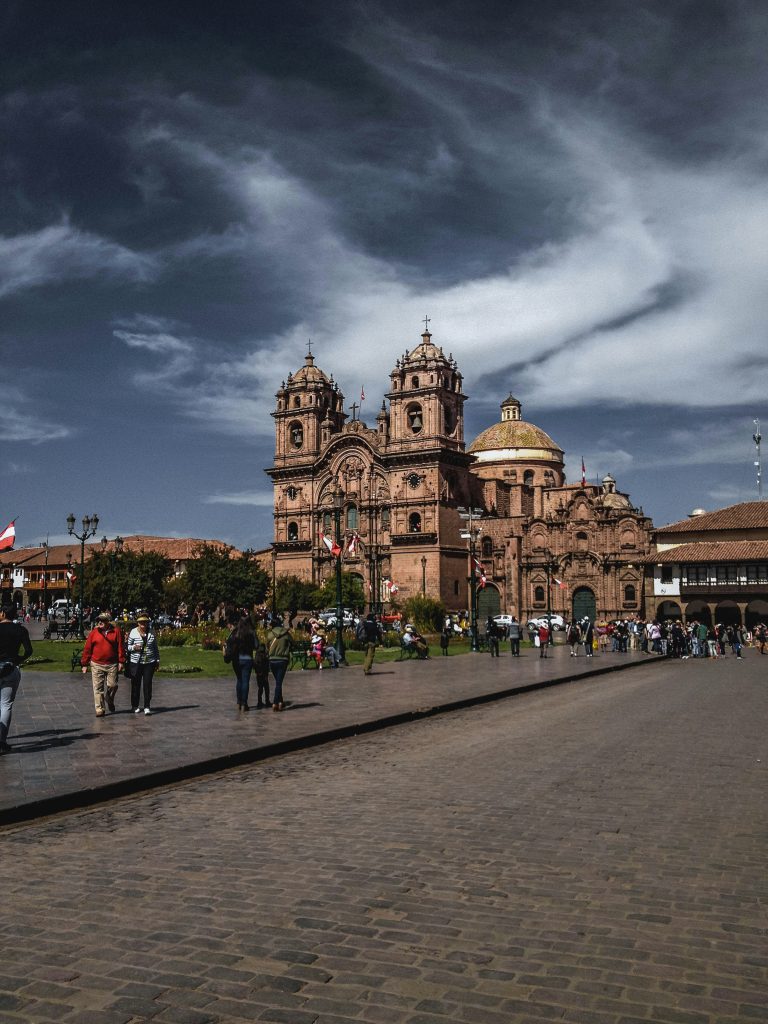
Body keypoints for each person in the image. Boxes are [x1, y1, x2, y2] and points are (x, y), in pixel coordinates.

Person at [0, 604, 32, 754]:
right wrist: (19, 659)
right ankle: (1, 740)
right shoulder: (20, 630)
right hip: (10, 668)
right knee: (6, 705)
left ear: (2, 613)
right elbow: (29, 650)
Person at [81, 611, 125, 717]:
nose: (100, 622)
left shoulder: (116, 631)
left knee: (113, 685)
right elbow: (88, 648)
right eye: (99, 620)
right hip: (96, 663)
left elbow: (120, 647)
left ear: (108, 621)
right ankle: (100, 709)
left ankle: (109, 699)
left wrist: (121, 661)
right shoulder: (94, 633)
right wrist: (84, 664)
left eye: (103, 620)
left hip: (112, 664)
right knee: (98, 688)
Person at [126, 613, 160, 715]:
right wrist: (134, 648)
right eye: (141, 623)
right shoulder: (133, 632)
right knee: (135, 685)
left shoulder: (152, 632)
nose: (143, 625)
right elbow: (128, 647)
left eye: (145, 622)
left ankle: (147, 706)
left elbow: (155, 647)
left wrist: (157, 660)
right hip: (136, 662)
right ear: (138, 623)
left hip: (149, 662)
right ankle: (135, 705)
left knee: (147, 684)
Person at [225, 616, 256, 710]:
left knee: (239, 680)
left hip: (237, 659)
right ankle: (244, 703)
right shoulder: (251, 632)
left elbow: (230, 643)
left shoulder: (236, 633)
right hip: (247, 658)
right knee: (246, 681)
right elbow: (257, 645)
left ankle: (239, 702)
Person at [268, 615, 292, 711]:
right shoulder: (286, 634)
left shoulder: (270, 634)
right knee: (279, 682)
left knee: (278, 681)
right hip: (283, 659)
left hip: (272, 659)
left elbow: (266, 644)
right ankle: (275, 702)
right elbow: (293, 643)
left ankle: (280, 701)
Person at [253, 635, 270, 708]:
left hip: (259, 674)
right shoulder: (264, 655)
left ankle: (259, 702)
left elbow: (255, 664)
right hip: (264, 674)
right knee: (266, 687)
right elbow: (267, 665)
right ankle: (267, 701)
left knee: (260, 688)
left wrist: (257, 671)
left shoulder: (257, 655)